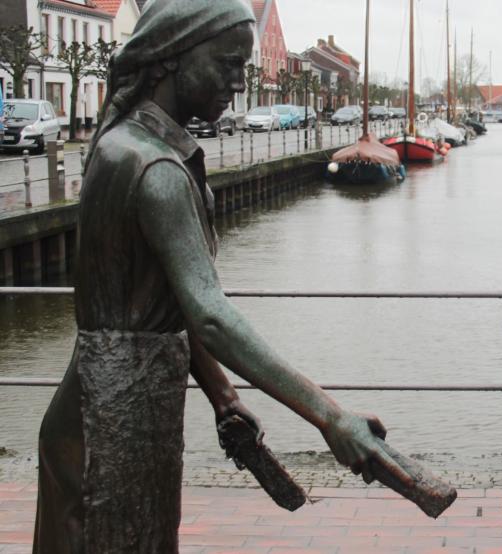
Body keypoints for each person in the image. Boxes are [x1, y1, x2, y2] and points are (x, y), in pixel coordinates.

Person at [33, 1, 391, 551]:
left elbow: (163, 303)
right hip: (117, 424)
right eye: (226, 62)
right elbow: (209, 313)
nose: (236, 80)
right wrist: (331, 417)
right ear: (171, 57)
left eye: (241, 66)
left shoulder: (122, 145)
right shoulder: (154, 168)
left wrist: (222, 395)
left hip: (106, 406)